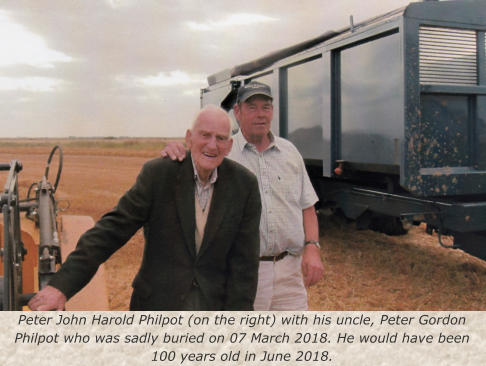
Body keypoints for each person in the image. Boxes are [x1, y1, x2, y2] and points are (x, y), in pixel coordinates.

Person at [28, 105, 261, 311]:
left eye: (220, 138)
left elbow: (245, 266)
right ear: (189, 138)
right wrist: (61, 286)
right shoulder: (160, 174)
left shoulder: (244, 185)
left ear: (229, 145)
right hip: (157, 307)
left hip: (212, 309)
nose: (212, 145)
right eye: (205, 135)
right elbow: (111, 230)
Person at [161, 81, 324, 310]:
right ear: (237, 112)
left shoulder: (290, 152)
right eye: (252, 107)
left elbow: (307, 206)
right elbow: (191, 169)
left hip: (290, 273)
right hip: (242, 273)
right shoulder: (222, 152)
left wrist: (312, 246)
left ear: (272, 111)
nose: (260, 115)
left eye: (265, 107)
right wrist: (175, 152)